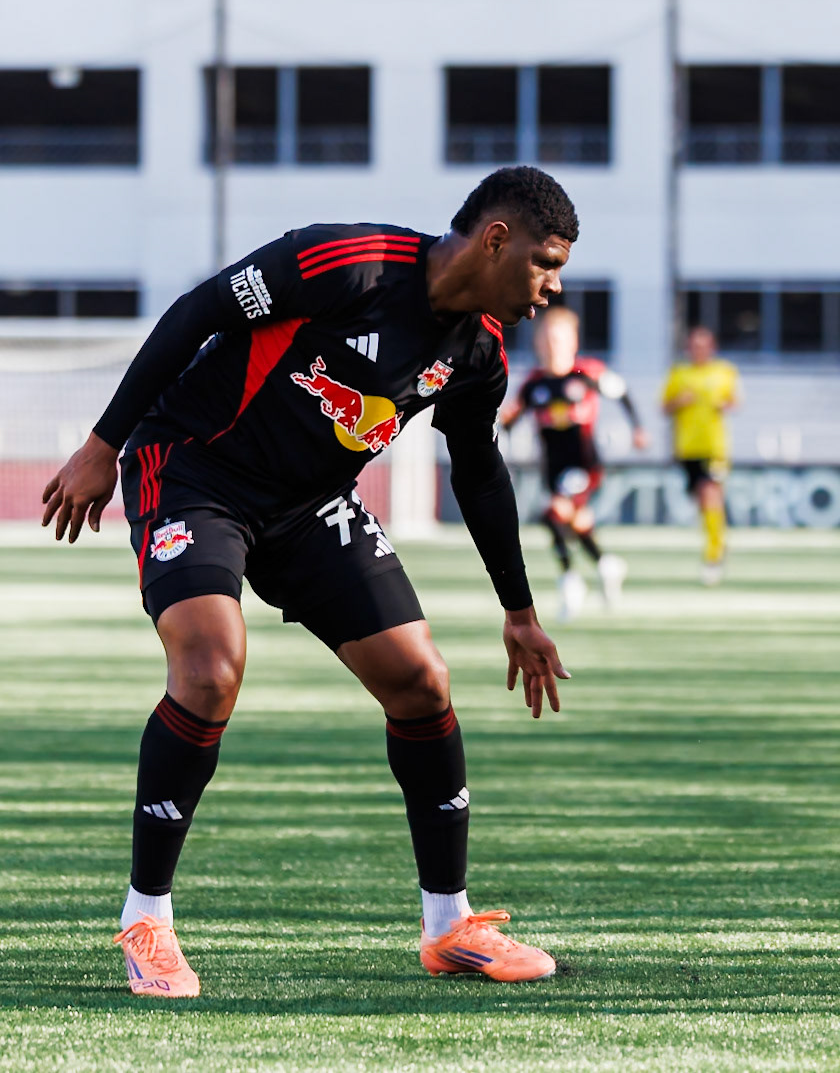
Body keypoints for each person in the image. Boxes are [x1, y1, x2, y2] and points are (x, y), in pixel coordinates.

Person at [41, 165, 579, 997]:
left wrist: (520, 610)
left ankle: (450, 927)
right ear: (497, 240)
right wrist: (103, 442)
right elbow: (197, 312)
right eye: (546, 263)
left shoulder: (479, 352)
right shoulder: (349, 264)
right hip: (195, 470)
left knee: (421, 681)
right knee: (210, 669)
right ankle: (146, 918)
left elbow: (478, 467)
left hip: (307, 504)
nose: (552, 288)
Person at [501, 305, 648, 619]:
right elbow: (512, 419)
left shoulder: (587, 373)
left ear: (573, 342)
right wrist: (506, 423)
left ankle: (570, 579)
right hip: (552, 468)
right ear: (539, 343)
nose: (553, 345)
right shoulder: (534, 383)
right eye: (547, 339)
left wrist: (637, 429)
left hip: (584, 465)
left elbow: (622, 393)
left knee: (552, 515)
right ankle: (606, 564)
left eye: (559, 339)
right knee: (576, 522)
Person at [661, 326, 741, 585]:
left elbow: (735, 402)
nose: (698, 351)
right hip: (687, 448)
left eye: (703, 346)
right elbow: (664, 406)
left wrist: (723, 404)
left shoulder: (724, 372)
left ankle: (713, 555)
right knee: (702, 502)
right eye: (694, 346)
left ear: (712, 348)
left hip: (714, 448)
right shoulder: (679, 373)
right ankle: (717, 539)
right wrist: (679, 402)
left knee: (710, 494)